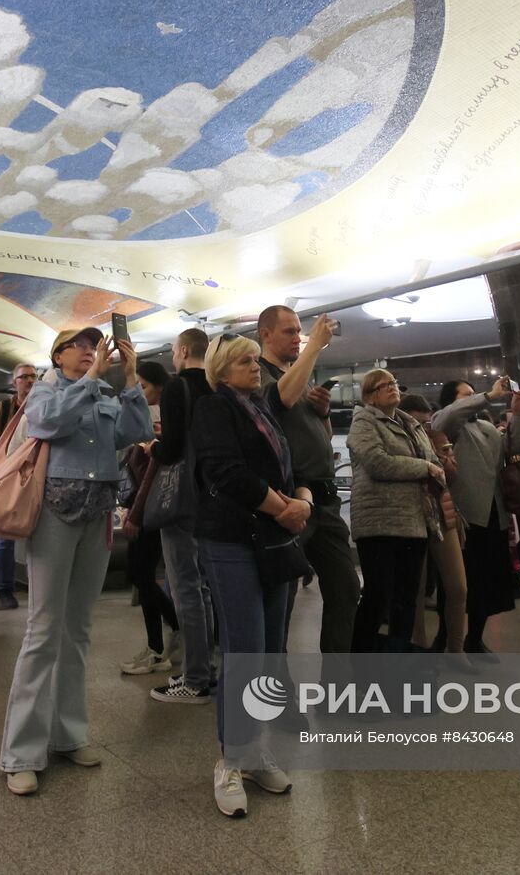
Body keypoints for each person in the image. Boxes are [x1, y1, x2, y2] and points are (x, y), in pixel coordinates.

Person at [1, 328, 152, 796]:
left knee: (78, 628)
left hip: (98, 512)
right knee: (43, 627)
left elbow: (136, 433)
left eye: (94, 345)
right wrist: (90, 381)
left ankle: (68, 734)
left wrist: (129, 381)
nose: (90, 350)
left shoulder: (108, 392)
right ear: (58, 354)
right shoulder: (47, 389)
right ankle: (21, 752)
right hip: (54, 512)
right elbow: (47, 425)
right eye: (79, 345)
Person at [192, 333, 310, 817]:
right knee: (243, 649)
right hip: (233, 540)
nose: (254, 366)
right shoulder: (213, 408)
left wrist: (301, 500)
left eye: (254, 359)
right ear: (221, 368)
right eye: (243, 360)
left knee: (265, 652)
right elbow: (225, 473)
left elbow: (289, 468)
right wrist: (284, 508)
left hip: (274, 541)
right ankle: (230, 760)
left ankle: (254, 748)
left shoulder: (260, 410)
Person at [256, 306, 356, 653]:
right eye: (289, 331)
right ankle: (275, 692)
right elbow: (278, 398)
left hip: (324, 499)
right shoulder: (259, 371)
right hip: (292, 496)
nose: (298, 337)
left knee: (345, 589)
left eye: (300, 330)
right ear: (265, 334)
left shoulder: (299, 374)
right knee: (281, 602)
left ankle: (336, 689)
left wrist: (323, 413)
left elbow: (322, 436)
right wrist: (315, 345)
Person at [347, 370, 444, 653]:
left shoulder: (410, 423)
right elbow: (378, 463)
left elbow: (434, 459)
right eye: (384, 385)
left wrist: (433, 467)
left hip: (414, 521)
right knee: (379, 597)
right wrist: (424, 469)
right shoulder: (364, 420)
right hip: (380, 521)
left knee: (406, 598)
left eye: (394, 384)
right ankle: (359, 662)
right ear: (370, 396)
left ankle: (397, 662)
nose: (392, 388)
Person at [432, 377, 520, 654]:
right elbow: (447, 417)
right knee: (456, 584)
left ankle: (475, 638)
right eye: (466, 395)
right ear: (452, 400)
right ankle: (446, 636)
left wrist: (519, 413)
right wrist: (488, 395)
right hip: (465, 515)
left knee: (487, 583)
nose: (474, 399)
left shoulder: (486, 426)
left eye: (474, 395)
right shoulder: (447, 423)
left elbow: (515, 447)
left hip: (493, 513)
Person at [150, 327, 217, 704]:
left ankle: (193, 679)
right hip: (212, 497)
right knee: (205, 587)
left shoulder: (179, 387)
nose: (173, 357)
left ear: (185, 349)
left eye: (174, 350)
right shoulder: (216, 385)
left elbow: (173, 445)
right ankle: (206, 668)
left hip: (182, 498)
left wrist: (152, 449)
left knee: (185, 588)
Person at [119, 360, 181, 676]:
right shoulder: (158, 414)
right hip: (150, 507)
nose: (141, 393)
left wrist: (136, 514)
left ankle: (159, 646)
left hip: (152, 509)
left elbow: (152, 473)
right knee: (140, 574)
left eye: (143, 386)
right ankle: (173, 631)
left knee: (142, 574)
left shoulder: (167, 416)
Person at [398, 394, 468, 655]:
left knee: (458, 587)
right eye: (417, 422)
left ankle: (456, 648)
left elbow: (453, 475)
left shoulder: (437, 437)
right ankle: (417, 647)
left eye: (426, 423)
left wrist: (442, 462)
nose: (423, 428)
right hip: (408, 518)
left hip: (441, 515)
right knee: (414, 591)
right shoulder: (397, 440)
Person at [0, 362, 37, 610]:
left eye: (34, 376)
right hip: (6, 478)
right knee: (3, 534)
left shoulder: (44, 407)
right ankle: (5, 589)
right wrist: (9, 461)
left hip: (36, 477)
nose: (29, 381)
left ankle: (39, 587)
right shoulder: (3, 410)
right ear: (14, 382)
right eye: (24, 377)